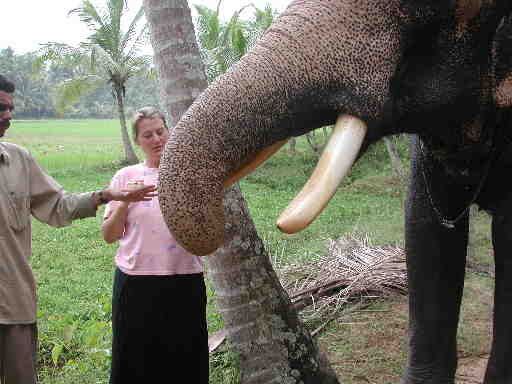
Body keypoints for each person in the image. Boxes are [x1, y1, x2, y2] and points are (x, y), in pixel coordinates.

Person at [0, 74, 157, 384]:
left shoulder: (18, 161)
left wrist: (109, 195)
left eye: (10, 108)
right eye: (0, 107)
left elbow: (58, 207)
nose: (8, 116)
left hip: (11, 306)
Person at [101, 107, 208, 384]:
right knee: (134, 361)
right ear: (138, 141)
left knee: (186, 359)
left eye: (160, 131)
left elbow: (207, 225)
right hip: (136, 283)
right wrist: (126, 199)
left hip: (184, 279)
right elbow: (109, 235)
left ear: (169, 131)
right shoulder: (125, 176)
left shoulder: (190, 175)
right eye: (148, 135)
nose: (157, 139)